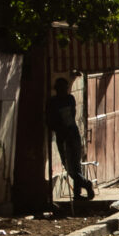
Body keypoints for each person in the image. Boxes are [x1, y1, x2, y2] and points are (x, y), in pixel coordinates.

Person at [46, 77, 93, 205]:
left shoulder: (55, 102)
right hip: (73, 133)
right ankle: (78, 193)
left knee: (70, 167)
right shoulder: (69, 99)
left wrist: (57, 127)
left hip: (65, 136)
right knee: (75, 165)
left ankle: (86, 184)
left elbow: (54, 121)